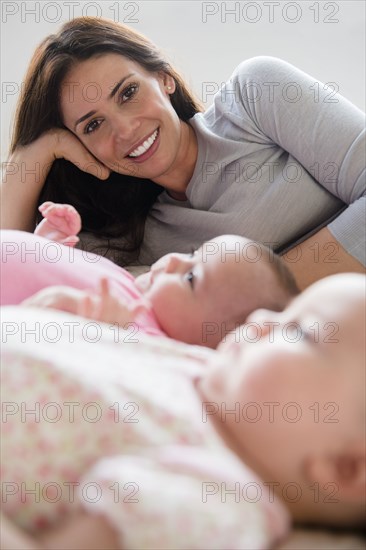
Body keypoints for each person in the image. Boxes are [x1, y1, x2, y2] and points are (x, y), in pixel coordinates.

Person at [1, 273, 365, 549]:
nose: (261, 316)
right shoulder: (212, 374)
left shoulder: (213, 507)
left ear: (345, 468)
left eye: (299, 331)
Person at [1, 18, 364, 291]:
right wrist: (31, 155)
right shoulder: (133, 244)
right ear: (81, 147)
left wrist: (253, 296)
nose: (125, 130)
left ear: (164, 78)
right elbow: (12, 279)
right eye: (93, 126)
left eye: (128, 93)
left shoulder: (255, 97)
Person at [0, 201, 298, 348]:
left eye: (191, 278)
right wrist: (52, 243)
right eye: (191, 254)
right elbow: (58, 275)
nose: (172, 262)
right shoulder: (130, 285)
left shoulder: (144, 340)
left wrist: (105, 335)